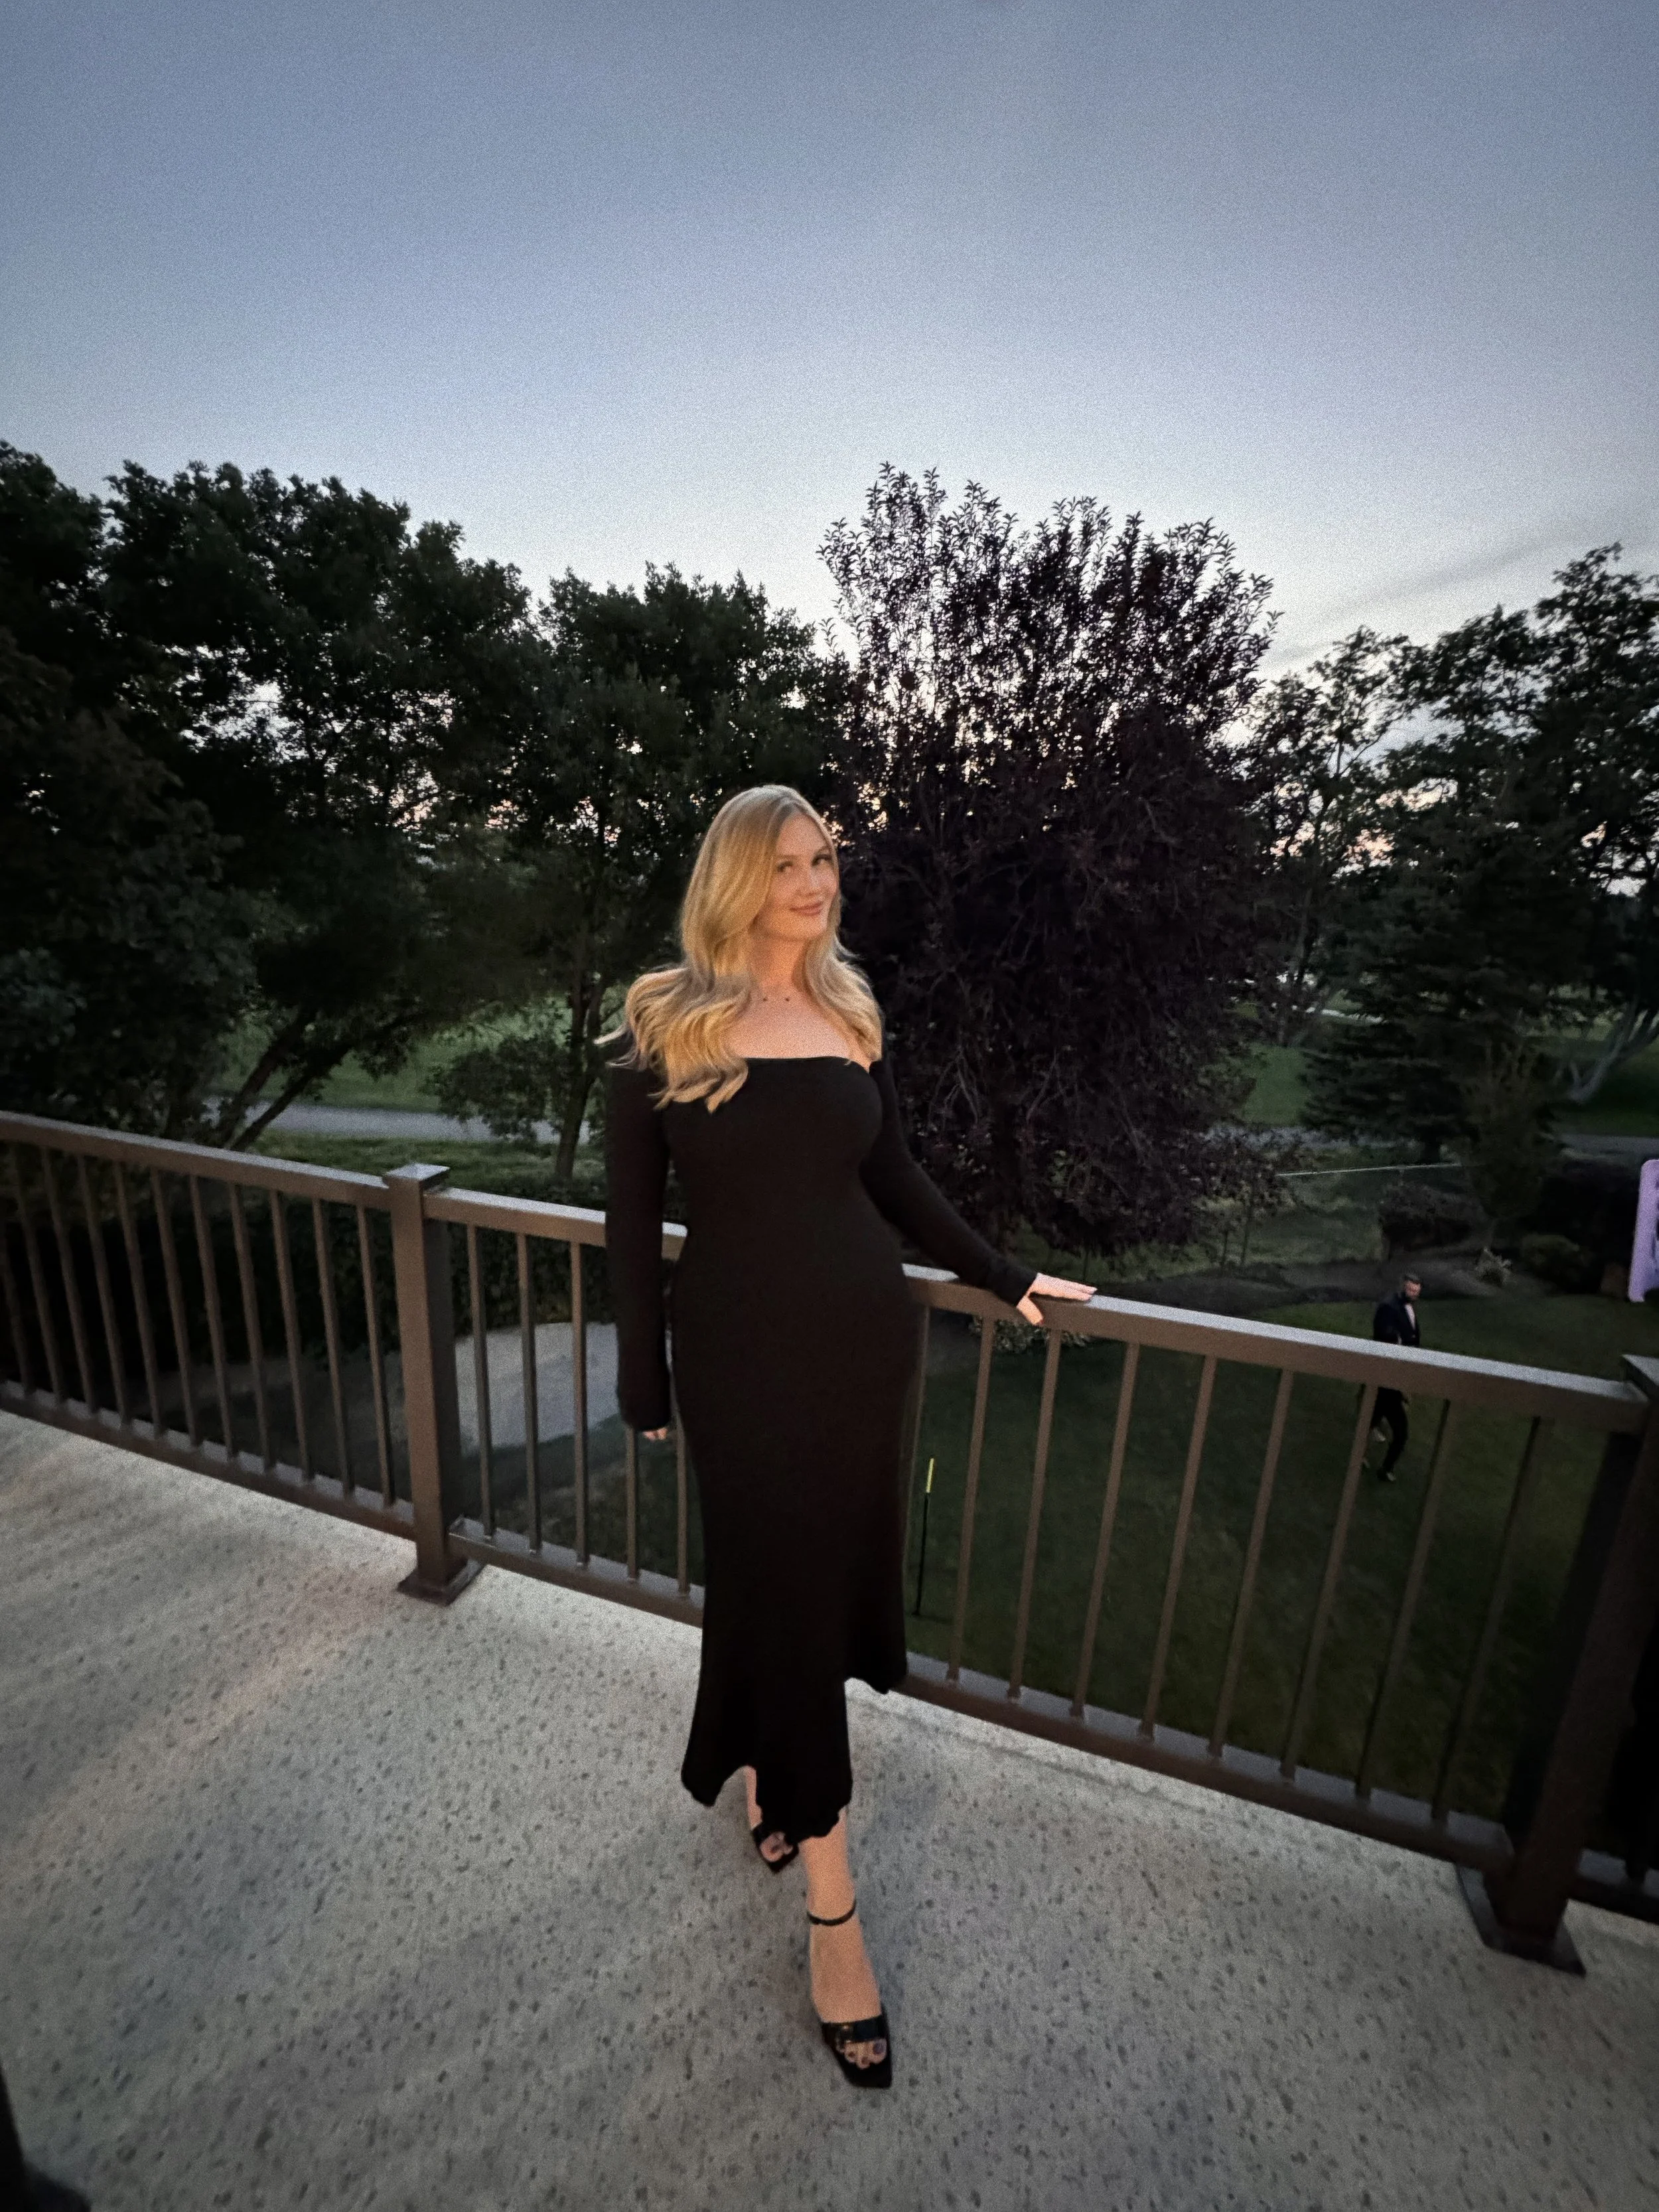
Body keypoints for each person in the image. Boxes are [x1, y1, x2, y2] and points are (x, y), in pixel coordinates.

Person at [605, 786, 1094, 2089]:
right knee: (783, 1585)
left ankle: (767, 1770)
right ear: (733, 881)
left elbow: (896, 1180)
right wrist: (639, 1387)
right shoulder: (664, 1023)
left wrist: (1009, 1277)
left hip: (856, 1353)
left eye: (824, 858)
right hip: (736, 1361)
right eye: (785, 866)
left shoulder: (850, 1012)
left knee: (793, 1592)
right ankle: (833, 1910)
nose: (815, 882)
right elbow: (628, 1230)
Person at [1369, 1272, 1422, 1482]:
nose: (1413, 1294)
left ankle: (1367, 1451)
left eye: (1417, 1291)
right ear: (1403, 1287)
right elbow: (1383, 1334)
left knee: (1374, 1413)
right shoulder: (1389, 1307)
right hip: (1388, 1374)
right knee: (1399, 1429)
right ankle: (1384, 1468)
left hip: (1396, 1375)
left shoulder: (1406, 1308)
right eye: (1410, 1290)